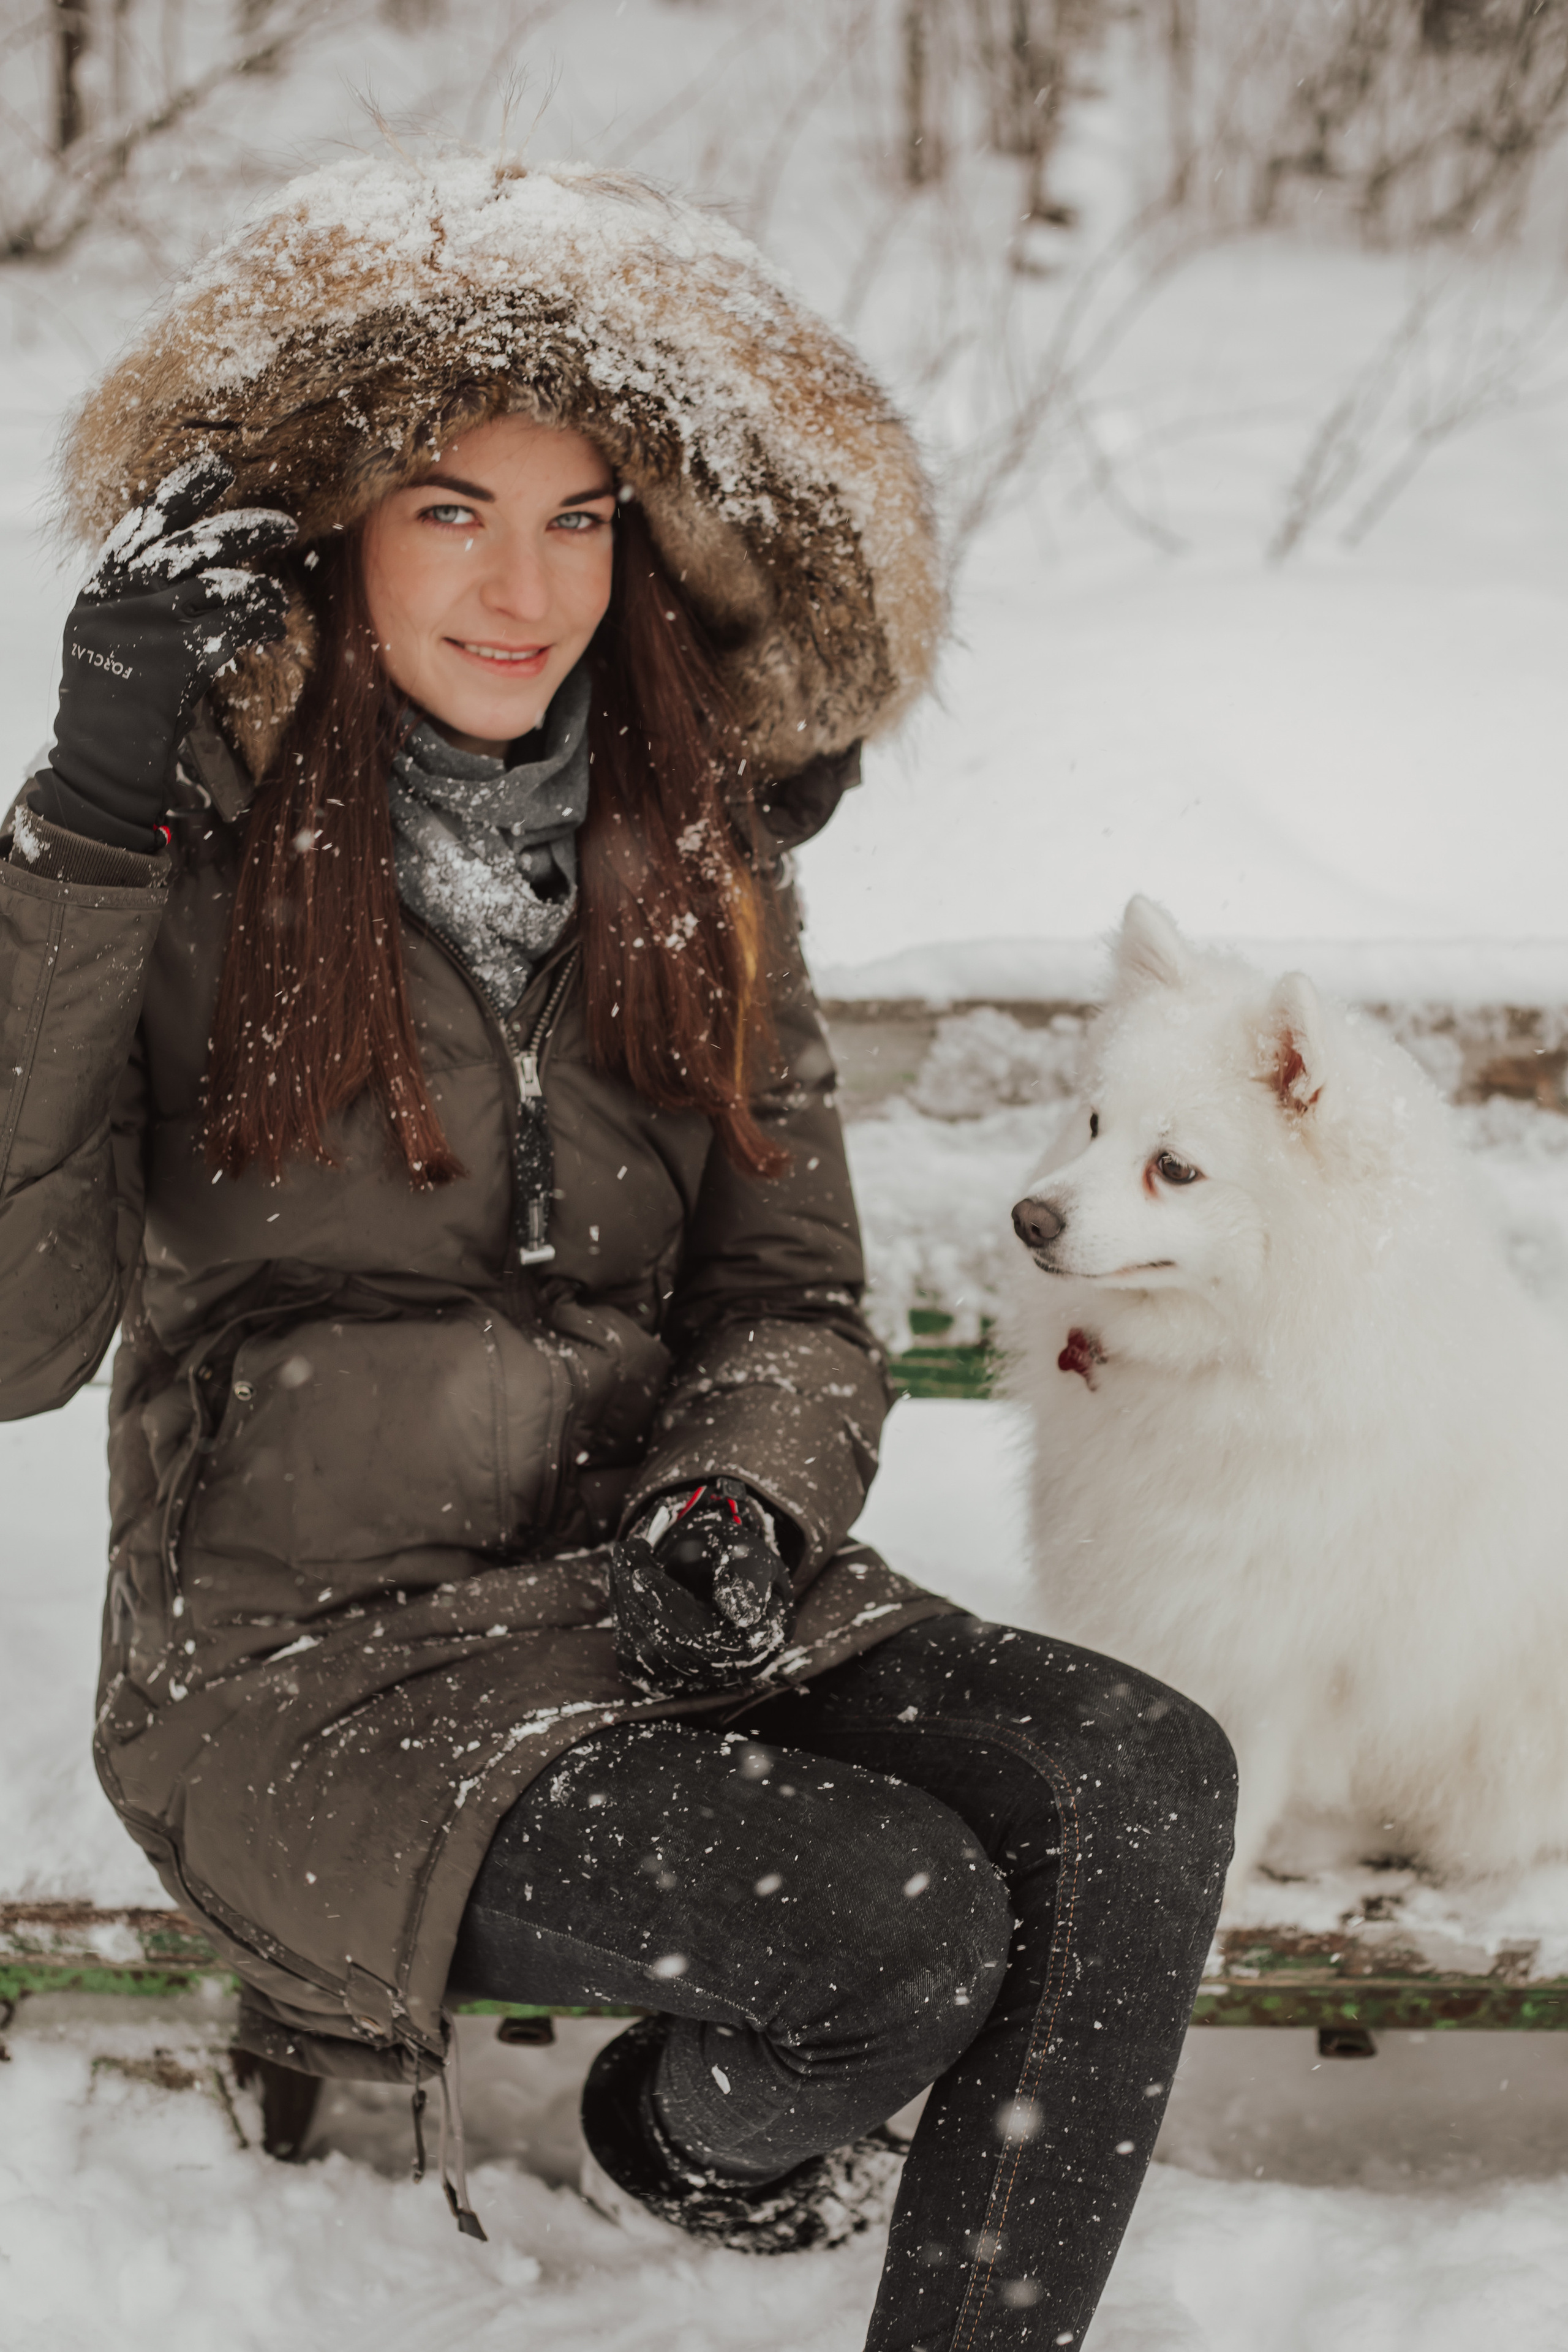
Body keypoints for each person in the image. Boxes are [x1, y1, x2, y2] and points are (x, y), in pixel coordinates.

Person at [0, 157, 1234, 2345]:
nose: (526, 588)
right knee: (896, 1915)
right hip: (317, 1676)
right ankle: (697, 2146)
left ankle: (783, 2198)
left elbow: (792, 1298)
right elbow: (14, 1340)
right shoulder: (173, 864)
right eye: (452, 510)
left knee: (1139, 1775)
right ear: (330, 534)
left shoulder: (698, 860)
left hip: (657, 1608)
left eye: (581, 519)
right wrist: (85, 833)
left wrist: (738, 1496)